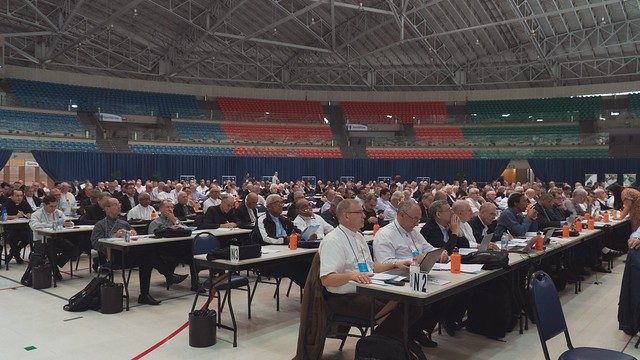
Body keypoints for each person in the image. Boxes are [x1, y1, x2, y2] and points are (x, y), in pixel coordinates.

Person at [319, 199, 426, 356]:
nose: (364, 216)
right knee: (394, 317)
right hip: (344, 296)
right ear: (346, 216)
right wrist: (352, 275)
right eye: (359, 212)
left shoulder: (359, 237)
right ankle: (394, 346)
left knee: (412, 306)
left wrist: (396, 264)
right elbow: (327, 279)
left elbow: (372, 267)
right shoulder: (333, 240)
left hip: (370, 287)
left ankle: (389, 345)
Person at [372, 201, 448, 347]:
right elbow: (384, 264)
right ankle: (406, 334)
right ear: (401, 215)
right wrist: (413, 260)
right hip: (396, 280)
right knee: (421, 301)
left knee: (444, 295)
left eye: (419, 219)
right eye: (414, 218)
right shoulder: (385, 234)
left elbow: (429, 248)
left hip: (418, 275)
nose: (417, 222)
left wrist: (440, 253)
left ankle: (416, 330)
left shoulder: (414, 232)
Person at [91, 198, 179, 305]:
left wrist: (133, 233)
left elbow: (136, 235)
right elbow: (95, 243)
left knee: (147, 257)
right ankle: (168, 275)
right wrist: (114, 236)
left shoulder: (124, 223)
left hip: (130, 253)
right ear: (107, 209)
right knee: (148, 257)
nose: (119, 206)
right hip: (115, 256)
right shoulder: (100, 225)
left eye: (119, 204)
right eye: (115, 204)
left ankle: (145, 295)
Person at [254, 194, 309, 287]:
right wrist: (284, 240)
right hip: (270, 259)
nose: (280, 205)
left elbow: (296, 231)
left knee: (308, 262)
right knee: (295, 266)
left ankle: (314, 290)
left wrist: (303, 235)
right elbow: (266, 238)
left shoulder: (283, 219)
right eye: (277, 203)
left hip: (286, 253)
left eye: (281, 202)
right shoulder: (262, 220)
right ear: (268, 207)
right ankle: (311, 291)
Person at [29, 195, 78, 279]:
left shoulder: (58, 212)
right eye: (51, 206)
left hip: (55, 239)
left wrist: (68, 224)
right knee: (51, 249)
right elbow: (34, 226)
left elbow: (68, 221)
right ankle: (54, 269)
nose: (53, 208)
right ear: (44, 205)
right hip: (40, 241)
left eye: (55, 206)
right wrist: (53, 224)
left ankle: (54, 265)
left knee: (73, 248)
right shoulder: (36, 214)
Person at [4, 189, 33, 264]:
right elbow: (3, 216)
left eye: (21, 196)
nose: (19, 198)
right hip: (10, 227)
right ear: (12, 196)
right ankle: (16, 255)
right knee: (13, 237)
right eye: (17, 196)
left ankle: (13, 253)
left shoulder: (24, 203)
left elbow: (30, 213)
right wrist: (15, 216)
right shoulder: (7, 203)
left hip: (23, 227)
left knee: (29, 237)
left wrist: (29, 215)